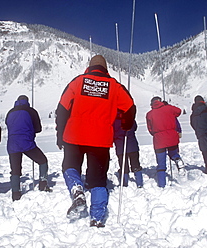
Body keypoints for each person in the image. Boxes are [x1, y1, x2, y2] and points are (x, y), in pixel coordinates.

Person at [56, 55, 135, 228]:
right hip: (100, 138)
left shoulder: (77, 82)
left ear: (89, 67)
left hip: (74, 135)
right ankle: (97, 217)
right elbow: (129, 106)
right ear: (105, 68)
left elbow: (62, 108)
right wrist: (126, 124)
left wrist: (59, 134)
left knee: (70, 165)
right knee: (98, 178)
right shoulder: (114, 86)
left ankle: (77, 189)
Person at [6, 95, 51, 201]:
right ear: (27, 101)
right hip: (26, 142)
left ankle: (15, 194)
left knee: (15, 170)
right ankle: (43, 184)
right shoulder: (31, 111)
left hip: (12, 143)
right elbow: (38, 128)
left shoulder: (10, 112)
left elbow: (8, 125)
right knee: (42, 161)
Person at [146, 96, 184, 188]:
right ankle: (177, 159)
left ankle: (161, 185)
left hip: (159, 140)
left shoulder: (149, 114)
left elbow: (150, 129)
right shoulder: (169, 108)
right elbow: (179, 111)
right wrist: (168, 106)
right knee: (173, 153)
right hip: (172, 137)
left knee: (161, 163)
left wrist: (156, 134)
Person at [113, 111, 143, 188]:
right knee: (136, 164)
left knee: (123, 166)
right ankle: (139, 182)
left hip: (120, 147)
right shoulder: (130, 118)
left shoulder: (114, 120)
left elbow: (113, 132)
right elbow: (135, 127)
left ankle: (125, 183)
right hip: (132, 145)